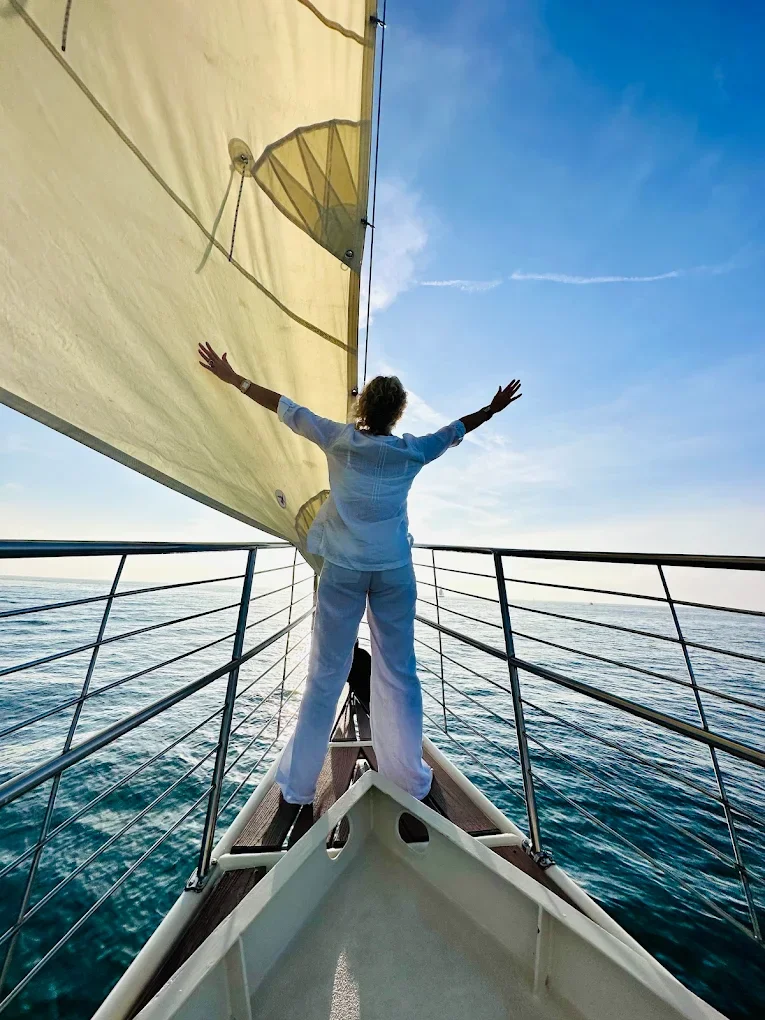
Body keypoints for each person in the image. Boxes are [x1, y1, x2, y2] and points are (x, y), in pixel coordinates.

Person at [198, 342, 521, 808]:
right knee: (400, 675)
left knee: (325, 677)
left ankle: (297, 790)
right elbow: (457, 429)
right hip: (393, 573)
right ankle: (408, 779)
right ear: (398, 412)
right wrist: (492, 408)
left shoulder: (338, 439)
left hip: (343, 573)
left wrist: (235, 379)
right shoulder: (413, 452)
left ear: (364, 406)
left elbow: (285, 407)